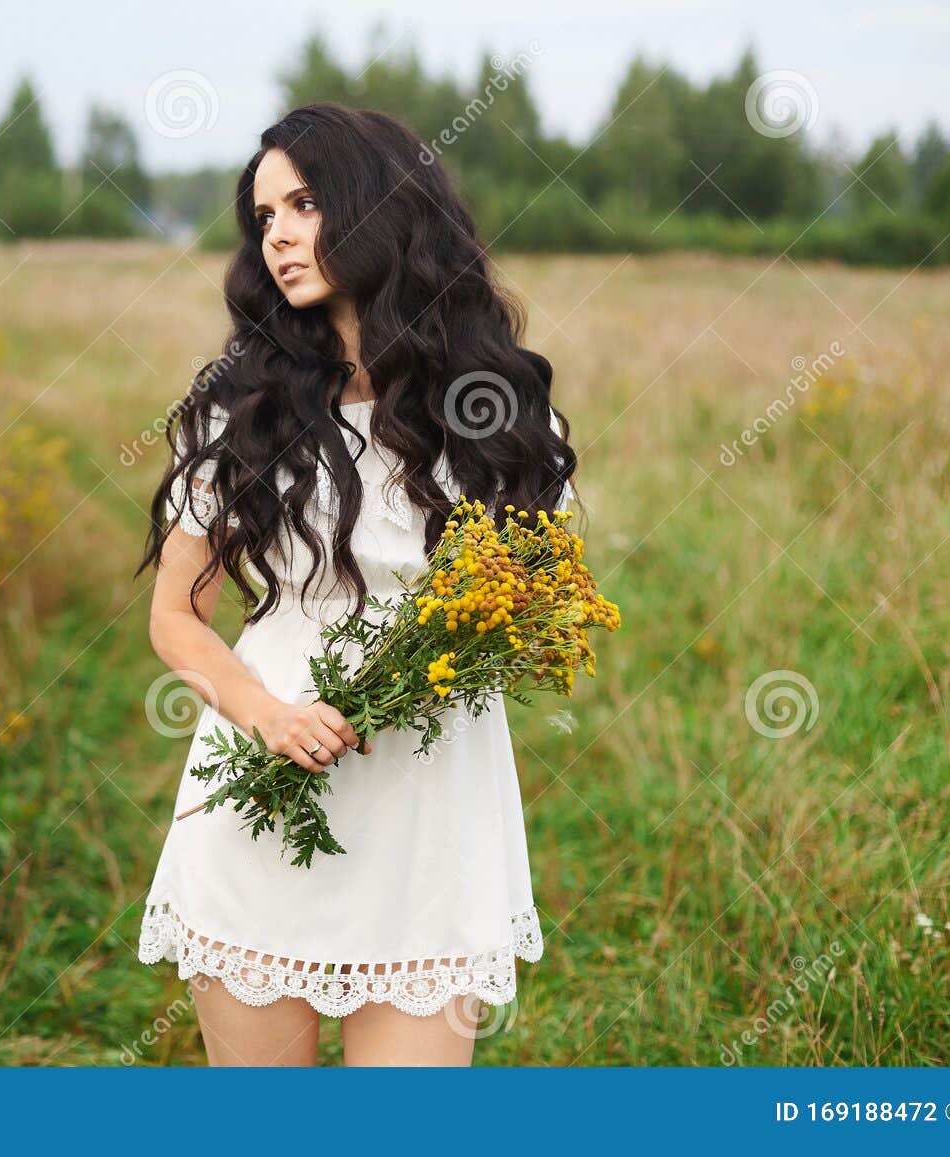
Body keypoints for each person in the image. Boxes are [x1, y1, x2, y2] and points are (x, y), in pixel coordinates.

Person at [133, 102, 578, 1066]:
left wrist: (461, 644)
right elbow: (177, 616)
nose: (280, 235)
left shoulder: (486, 402)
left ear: (379, 207)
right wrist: (267, 714)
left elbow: (536, 584)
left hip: (429, 804)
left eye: (305, 204)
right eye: (264, 217)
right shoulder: (239, 407)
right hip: (266, 779)